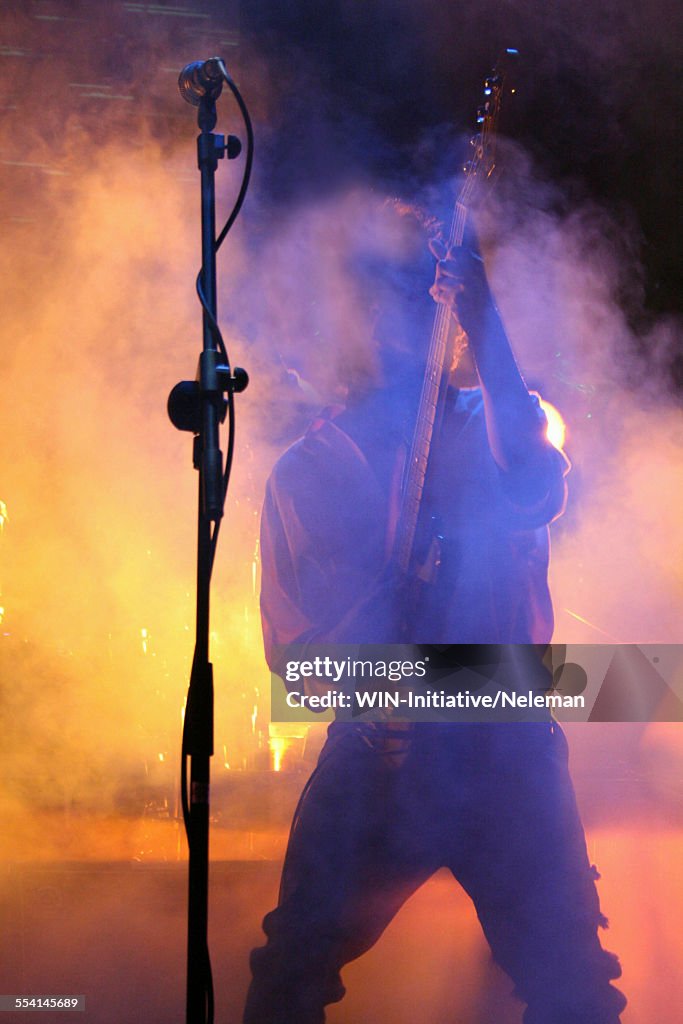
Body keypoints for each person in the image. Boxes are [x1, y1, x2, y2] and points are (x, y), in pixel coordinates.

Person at [243, 210, 627, 1024]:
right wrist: (388, 608)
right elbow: (299, 669)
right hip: (378, 763)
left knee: (574, 993)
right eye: (369, 308)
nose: (387, 330)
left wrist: (483, 313)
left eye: (413, 306)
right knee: (289, 982)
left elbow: (530, 479)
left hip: (507, 760)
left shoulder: (504, 420)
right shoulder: (307, 472)